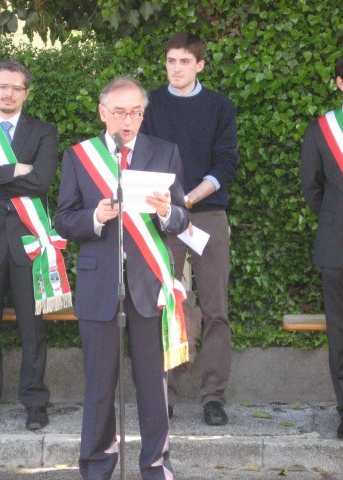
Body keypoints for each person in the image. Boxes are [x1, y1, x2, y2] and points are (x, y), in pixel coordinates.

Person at [55, 76, 189, 480]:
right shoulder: (80, 156)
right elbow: (64, 220)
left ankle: (156, 467)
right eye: (119, 112)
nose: (127, 121)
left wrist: (166, 211)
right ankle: (97, 467)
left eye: (135, 113)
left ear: (143, 115)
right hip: (100, 284)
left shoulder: (164, 152)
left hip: (149, 284)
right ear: (103, 112)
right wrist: (95, 217)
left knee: (153, 385)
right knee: (99, 384)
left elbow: (181, 218)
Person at [0, 59, 65, 431]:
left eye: (16, 87)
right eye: (2, 86)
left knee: (32, 327)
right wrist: (18, 170)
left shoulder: (44, 132)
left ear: (26, 93)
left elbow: (41, 181)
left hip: (27, 239)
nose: (8, 93)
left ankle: (35, 402)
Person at [141, 32, 240, 425]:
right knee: (166, 304)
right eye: (171, 61)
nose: (176, 68)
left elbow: (227, 162)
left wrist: (190, 198)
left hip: (207, 214)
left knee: (216, 309)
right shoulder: (149, 105)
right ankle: (162, 396)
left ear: (200, 65)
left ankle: (213, 397)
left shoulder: (220, 106)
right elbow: (140, 157)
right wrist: (169, 204)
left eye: (184, 61)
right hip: (162, 215)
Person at [300, 54, 343, 441]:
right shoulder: (321, 129)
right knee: (340, 334)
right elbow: (311, 187)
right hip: (337, 247)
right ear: (340, 83)